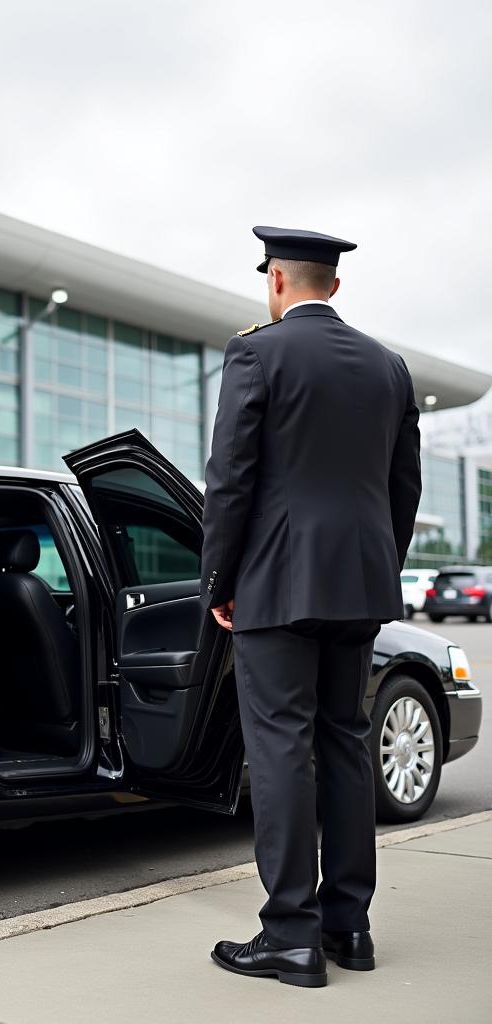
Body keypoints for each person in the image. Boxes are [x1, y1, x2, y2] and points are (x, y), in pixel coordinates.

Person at [201, 225, 422, 988]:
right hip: (358, 584)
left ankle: (290, 936)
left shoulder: (256, 353)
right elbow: (404, 488)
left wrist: (218, 581)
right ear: (333, 284)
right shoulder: (389, 367)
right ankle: (349, 927)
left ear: (277, 282)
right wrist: (375, 570)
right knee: (345, 742)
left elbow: (231, 476)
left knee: (282, 748)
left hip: (275, 584)